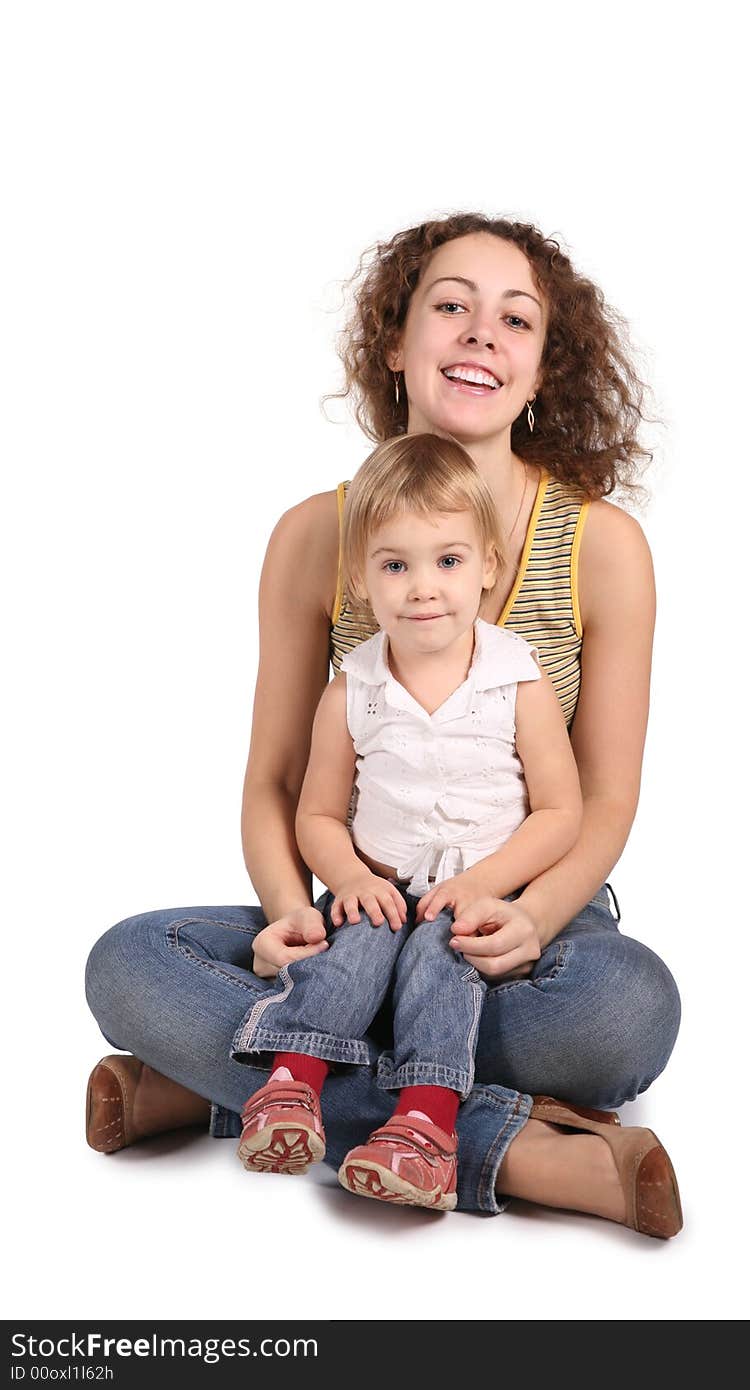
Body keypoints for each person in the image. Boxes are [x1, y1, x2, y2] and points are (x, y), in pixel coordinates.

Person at [85, 211, 683, 1238]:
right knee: (129, 963)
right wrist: (289, 911)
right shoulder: (316, 535)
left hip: (518, 924)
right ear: (396, 348)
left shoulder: (601, 546)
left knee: (623, 1014)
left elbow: (603, 797)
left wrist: (532, 914)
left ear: (542, 371)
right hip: (357, 913)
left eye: (515, 320)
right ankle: (517, 1148)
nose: (480, 333)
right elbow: (281, 783)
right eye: (449, 306)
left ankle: (237, 1082)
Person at [233, 434, 583, 1210]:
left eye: (448, 562)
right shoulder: (350, 689)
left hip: (478, 908)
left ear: (488, 567)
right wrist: (351, 879)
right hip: (382, 891)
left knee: (455, 965)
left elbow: (563, 813)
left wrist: (487, 886)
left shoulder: (515, 680)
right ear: (361, 578)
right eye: (396, 565)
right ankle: (291, 1088)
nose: (424, 588)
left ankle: (423, 1126)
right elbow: (317, 815)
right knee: (346, 955)